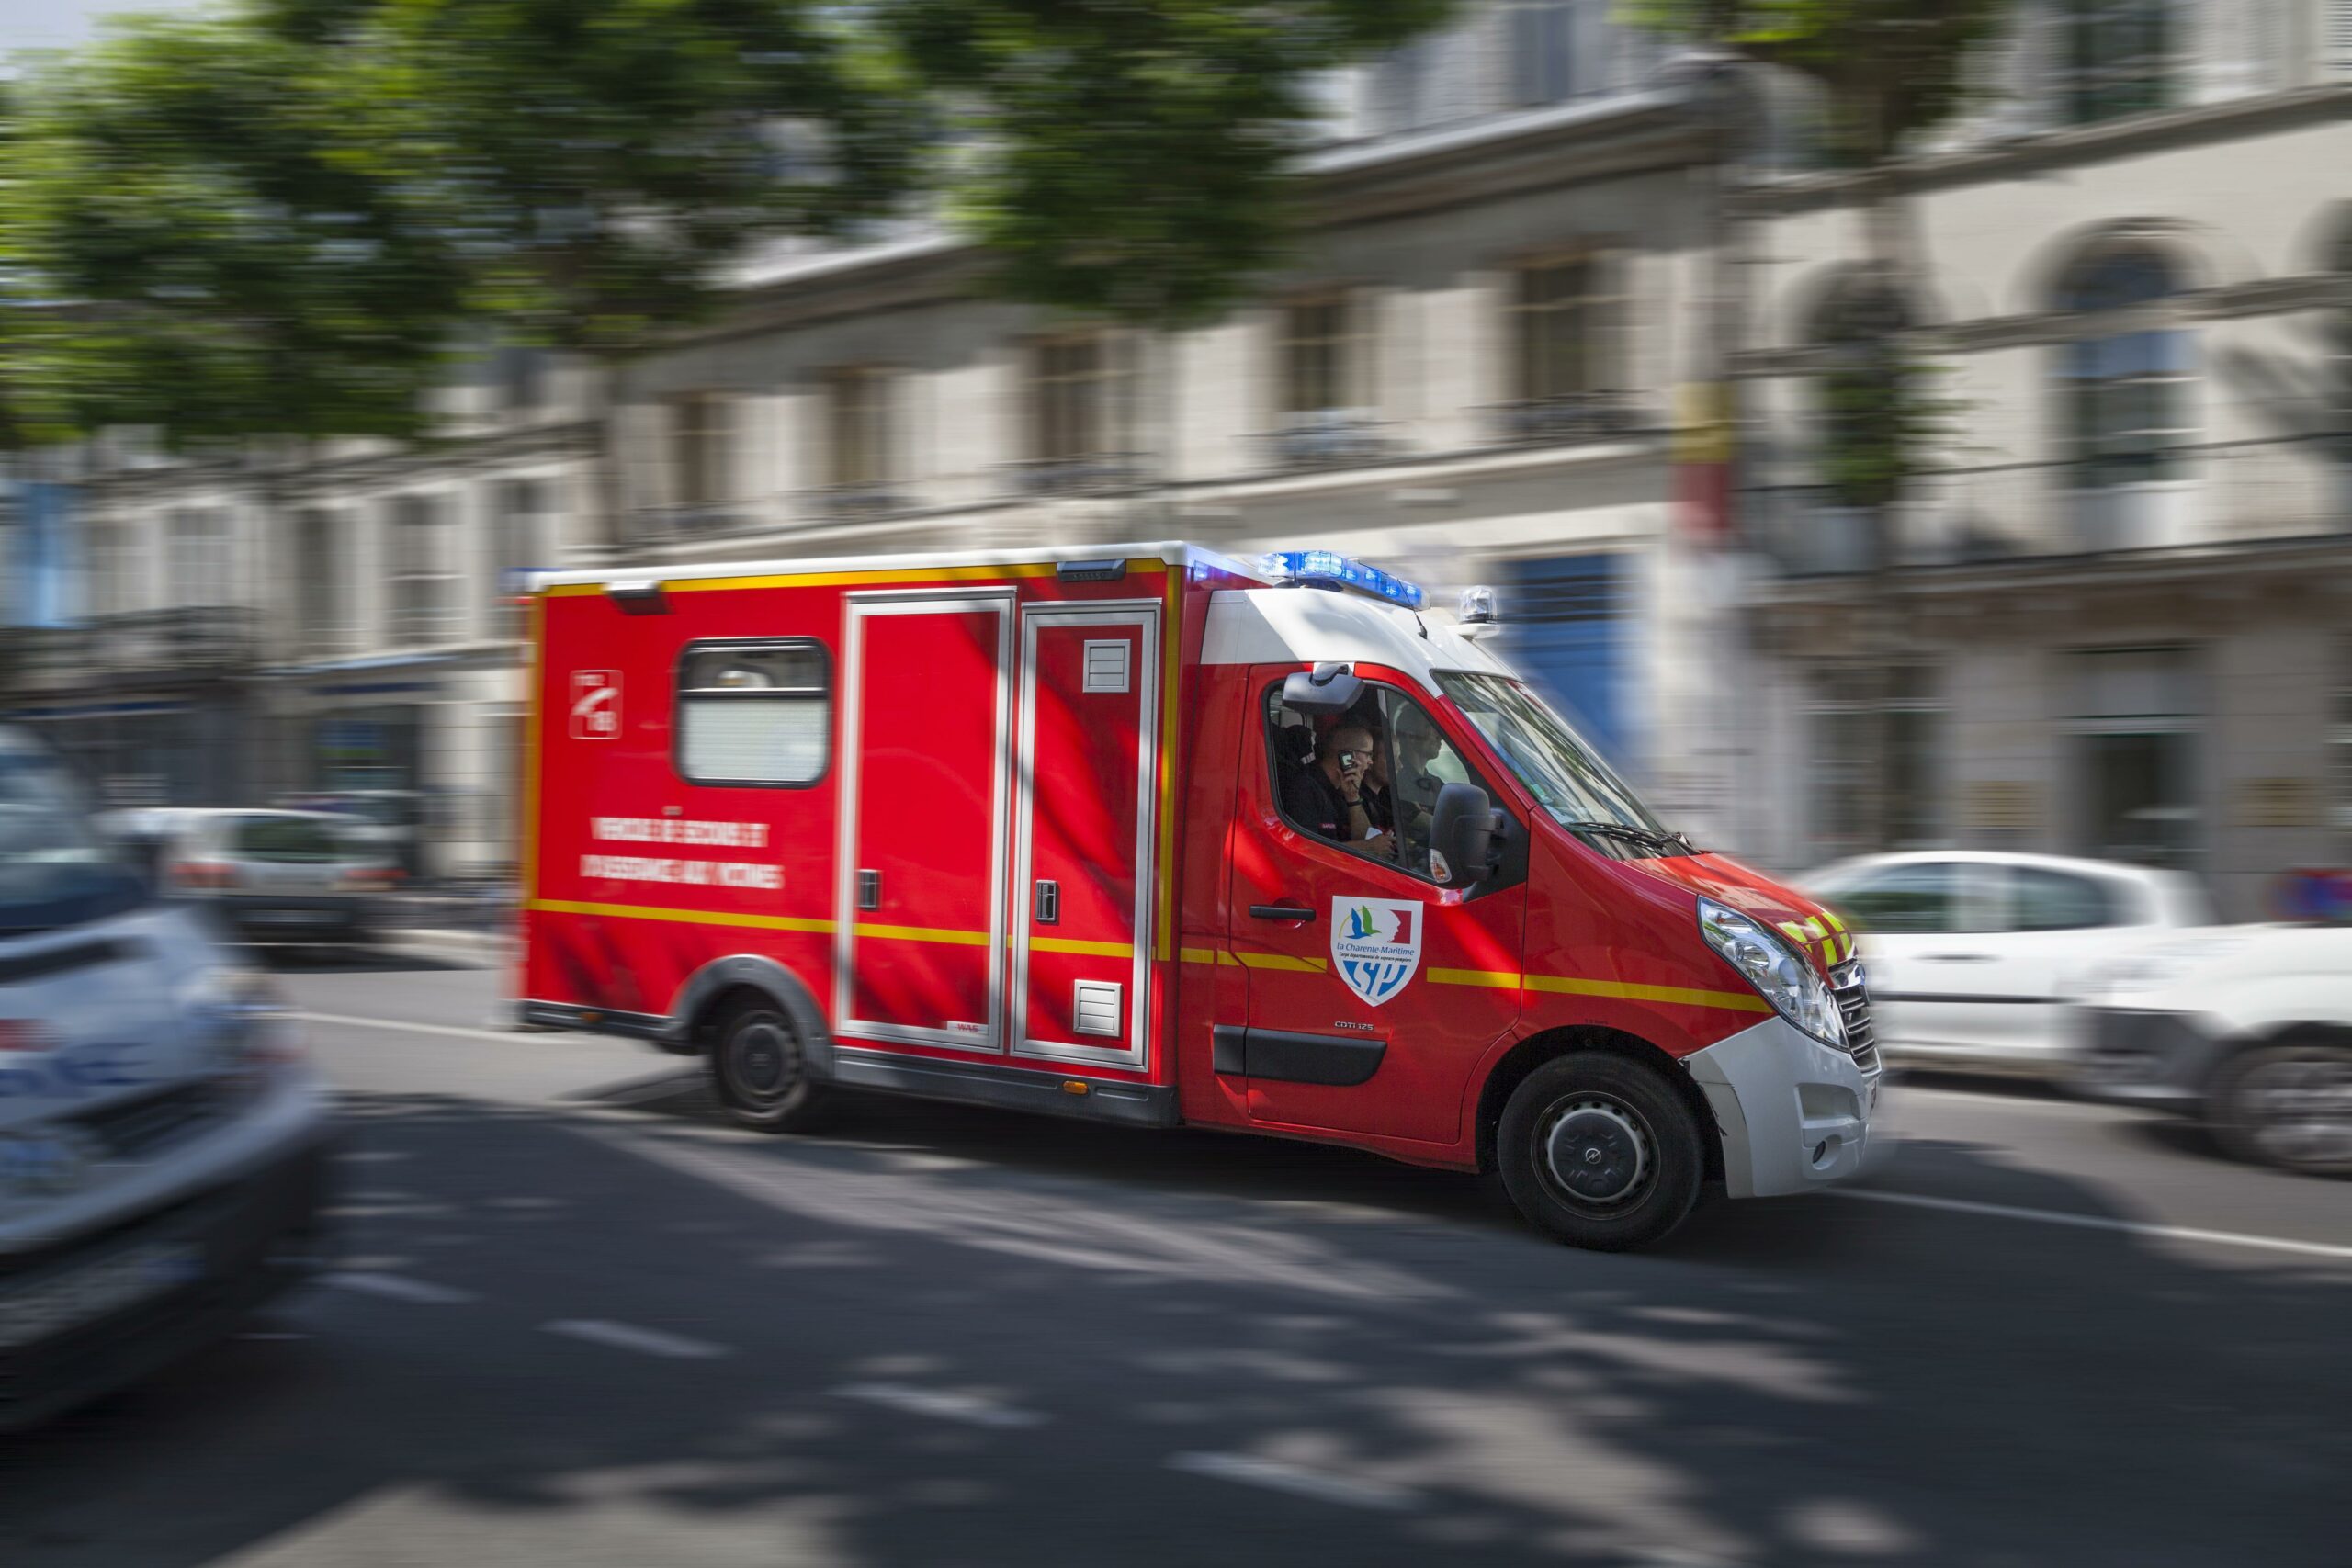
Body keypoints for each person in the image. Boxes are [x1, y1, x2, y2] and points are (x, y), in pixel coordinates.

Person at [1282, 721, 1376, 844]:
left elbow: (1367, 839)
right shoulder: (1303, 788)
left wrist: (1353, 799)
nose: (1371, 762)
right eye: (1368, 754)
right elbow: (1306, 849)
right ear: (1347, 755)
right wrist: (1366, 848)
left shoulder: (1345, 789)